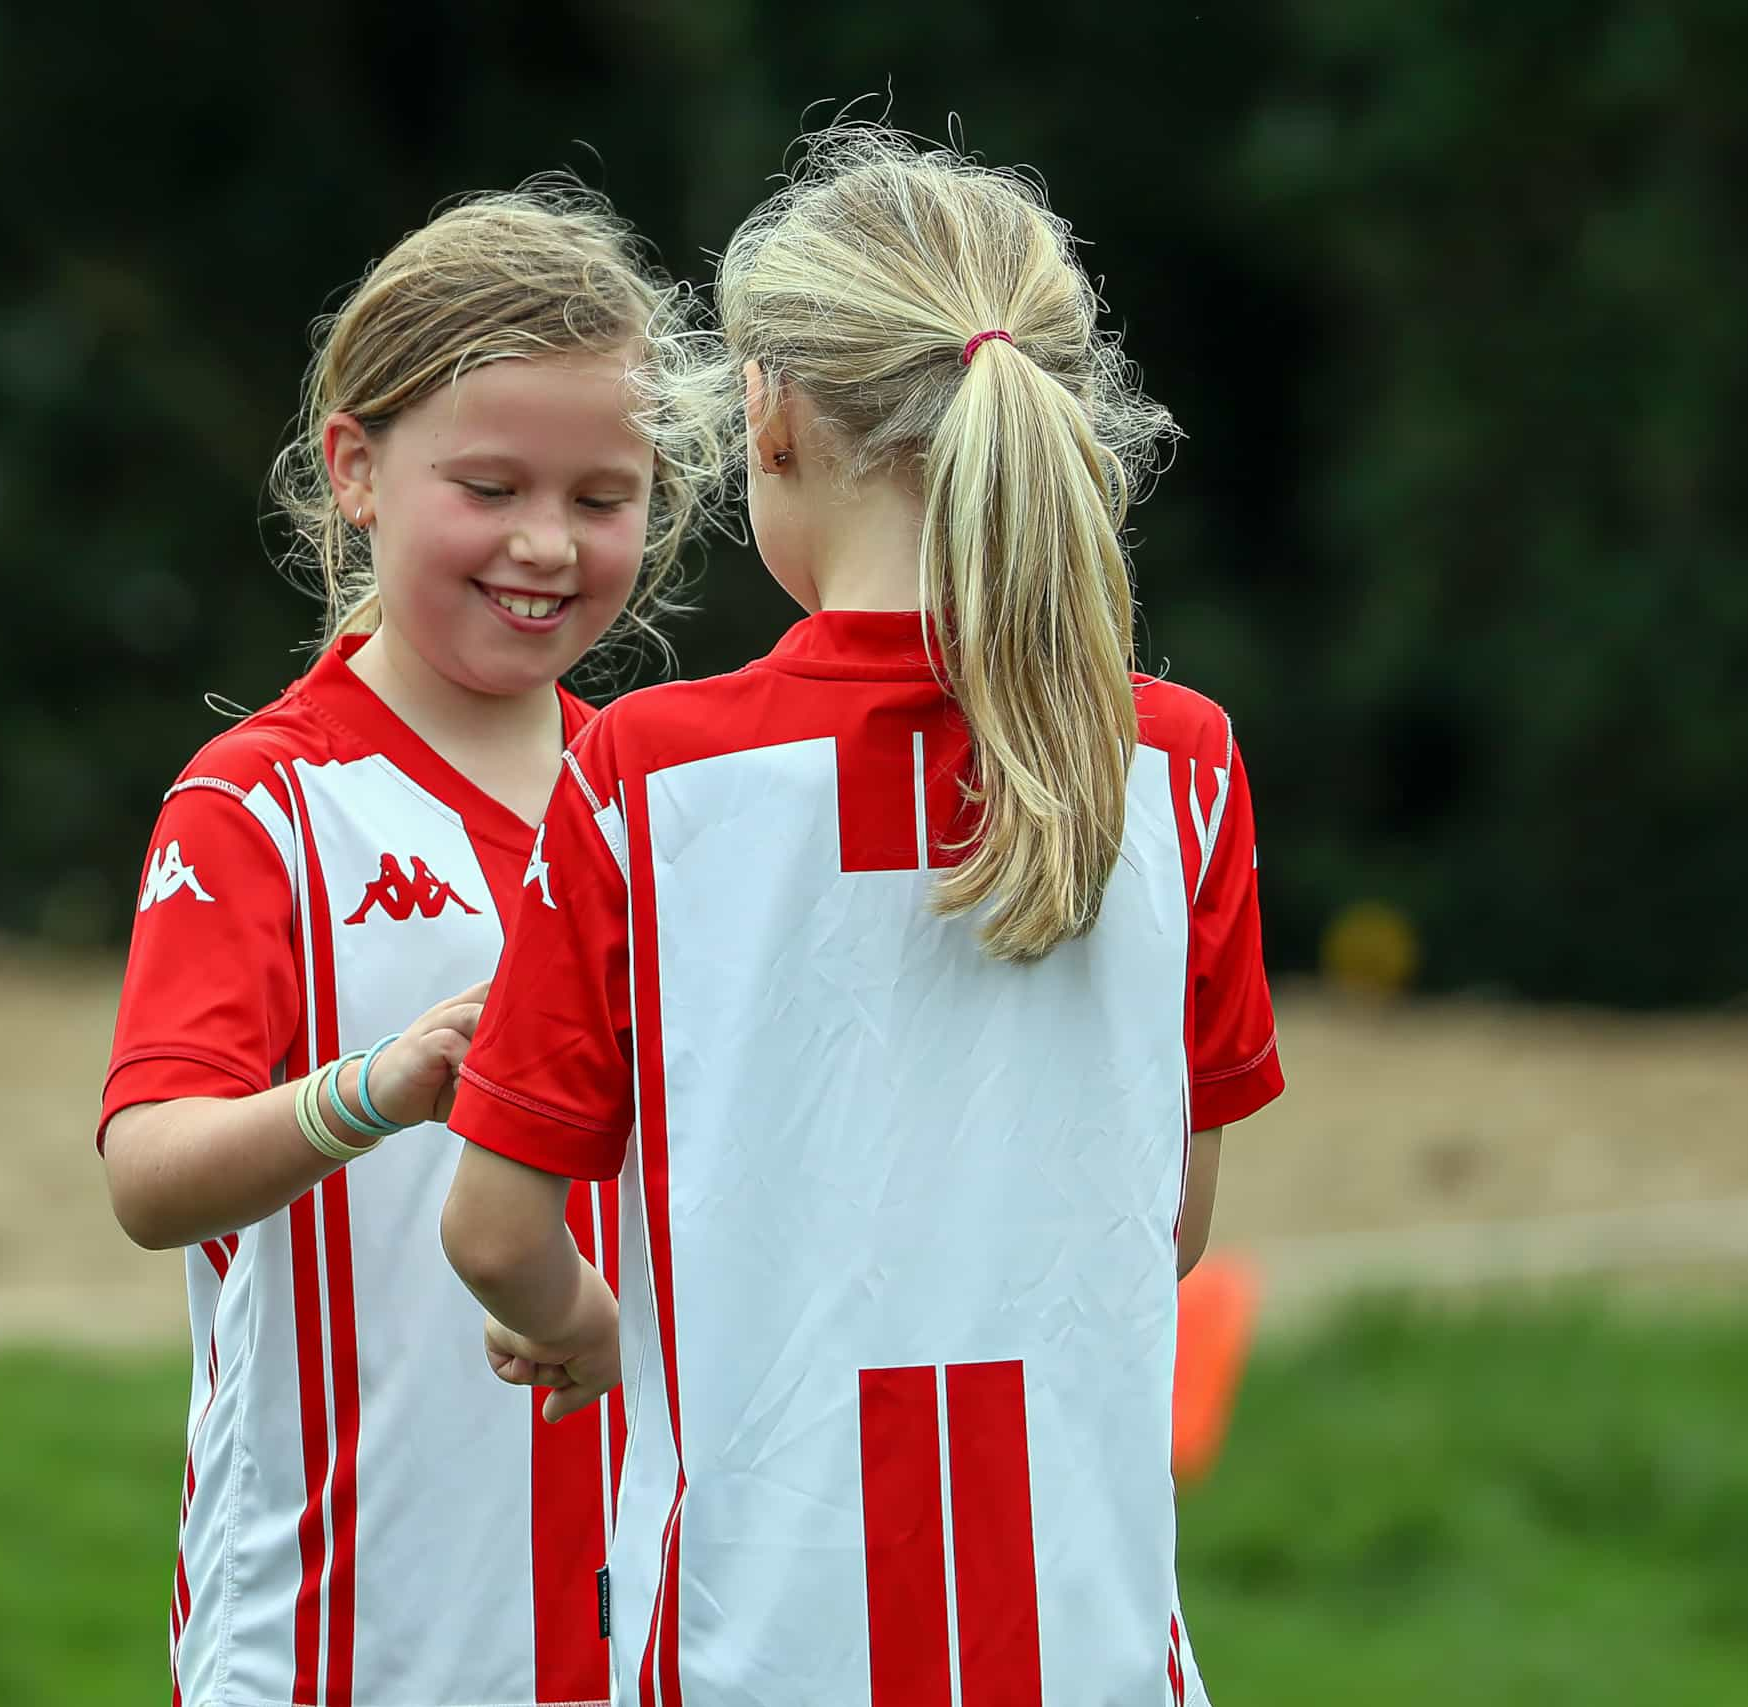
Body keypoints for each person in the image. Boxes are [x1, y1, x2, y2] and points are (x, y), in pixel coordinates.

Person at [439, 127, 1285, 1705]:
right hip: (1091, 1652)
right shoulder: (1181, 763)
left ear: (764, 408)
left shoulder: (647, 773)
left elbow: (494, 1226)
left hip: (753, 1650)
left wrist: (578, 1324)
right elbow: (1165, 1225)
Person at [97, 184, 720, 1707]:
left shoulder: (671, 803)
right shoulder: (262, 805)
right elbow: (149, 1173)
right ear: (356, 469)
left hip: (645, 1624)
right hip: (339, 1638)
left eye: (600, 496)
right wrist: (380, 1083)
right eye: (491, 486)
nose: (547, 544)